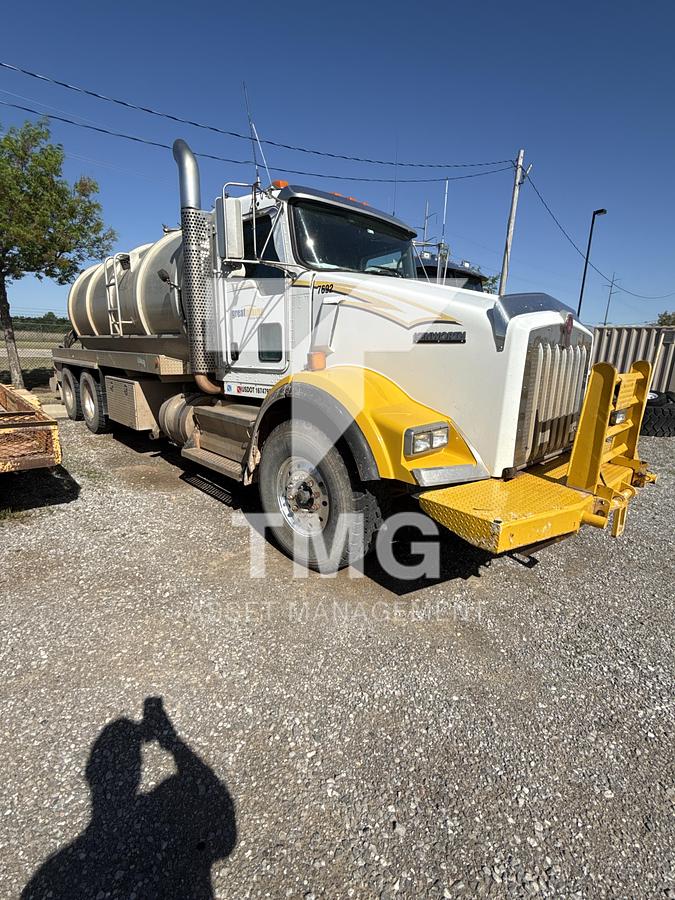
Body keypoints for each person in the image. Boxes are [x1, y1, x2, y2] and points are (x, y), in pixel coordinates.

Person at [22, 697, 237, 899]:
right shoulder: (52, 875)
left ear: (92, 776)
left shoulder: (52, 877)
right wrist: (172, 743)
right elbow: (220, 815)